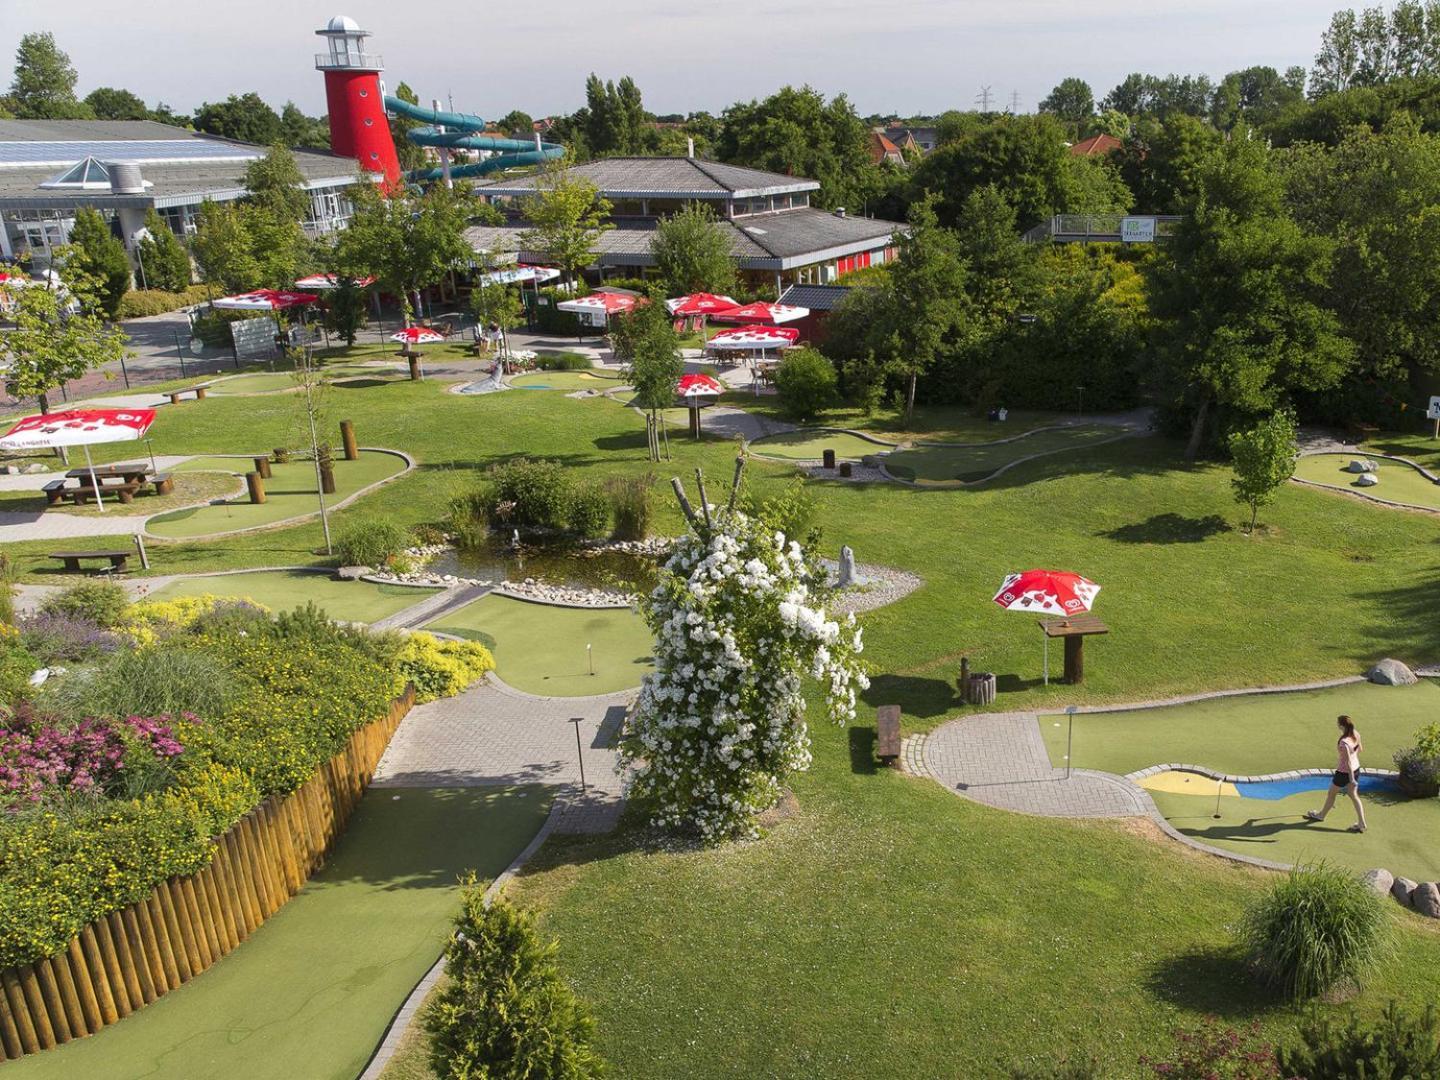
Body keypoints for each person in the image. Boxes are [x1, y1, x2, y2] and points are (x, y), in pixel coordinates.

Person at [1304, 715, 1368, 832]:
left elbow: (1347, 761)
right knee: (1354, 796)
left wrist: (1351, 779)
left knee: (1331, 793)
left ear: (1341, 725)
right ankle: (1361, 823)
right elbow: (1360, 749)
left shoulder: (1343, 743)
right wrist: (1353, 776)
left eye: (1338, 723)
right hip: (1356, 769)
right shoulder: (1356, 733)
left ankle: (1321, 815)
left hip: (1344, 772)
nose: (1337, 724)